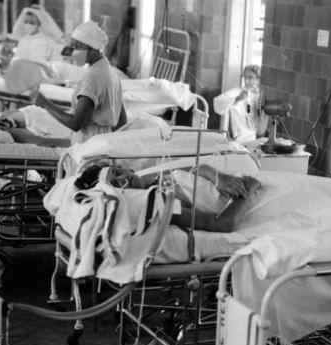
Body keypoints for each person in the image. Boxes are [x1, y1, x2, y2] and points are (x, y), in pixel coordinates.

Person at [74, 161, 260, 233]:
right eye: (116, 184)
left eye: (117, 172)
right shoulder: (156, 203)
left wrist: (218, 177)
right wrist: (249, 189)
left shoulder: (150, 178)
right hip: (250, 205)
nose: (124, 178)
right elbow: (224, 224)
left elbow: (195, 168)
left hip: (236, 182)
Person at [32, 20, 126, 144]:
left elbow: (75, 123)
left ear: (93, 48)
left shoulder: (94, 77)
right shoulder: (110, 71)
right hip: (103, 143)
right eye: (73, 47)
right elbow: (122, 120)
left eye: (77, 47)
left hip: (88, 144)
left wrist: (45, 104)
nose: (73, 52)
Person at [213, 65, 269, 143]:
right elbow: (218, 103)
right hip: (239, 138)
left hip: (257, 138)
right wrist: (236, 99)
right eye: (244, 77)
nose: (246, 81)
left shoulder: (261, 95)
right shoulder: (237, 92)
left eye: (250, 77)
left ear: (258, 79)